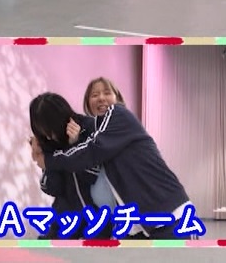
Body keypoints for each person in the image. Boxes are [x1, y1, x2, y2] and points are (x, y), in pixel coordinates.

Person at [31, 93, 195, 240]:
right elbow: (53, 187)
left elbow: (90, 163)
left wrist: (64, 151)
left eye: (106, 92)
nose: (101, 99)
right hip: (124, 225)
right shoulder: (54, 149)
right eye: (95, 94)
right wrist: (47, 161)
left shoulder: (114, 120)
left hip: (165, 214)